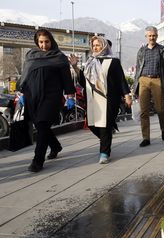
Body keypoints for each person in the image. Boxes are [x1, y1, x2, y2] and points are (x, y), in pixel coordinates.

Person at [18, 29, 76, 172]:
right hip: (32, 96)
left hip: (52, 96)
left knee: (43, 124)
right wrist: (21, 94)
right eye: (41, 42)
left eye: (47, 42)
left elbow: (66, 78)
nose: (44, 45)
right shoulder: (31, 55)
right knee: (41, 126)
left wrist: (70, 95)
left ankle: (37, 161)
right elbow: (25, 76)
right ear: (37, 42)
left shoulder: (59, 57)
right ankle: (55, 146)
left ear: (52, 41)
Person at [69, 36, 132, 164]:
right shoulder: (90, 62)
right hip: (93, 99)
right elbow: (84, 81)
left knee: (104, 126)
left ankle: (104, 153)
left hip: (109, 99)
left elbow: (121, 80)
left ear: (104, 46)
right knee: (92, 125)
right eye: (93, 45)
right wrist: (75, 67)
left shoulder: (113, 61)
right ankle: (106, 138)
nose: (95, 47)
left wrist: (127, 95)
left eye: (98, 45)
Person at [133, 26, 164, 147]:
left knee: (160, 108)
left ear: (157, 36)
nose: (151, 37)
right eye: (149, 36)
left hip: (157, 80)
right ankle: (146, 138)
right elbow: (138, 69)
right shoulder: (141, 51)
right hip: (143, 79)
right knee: (144, 111)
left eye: (153, 35)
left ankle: (163, 129)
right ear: (146, 37)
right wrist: (135, 86)